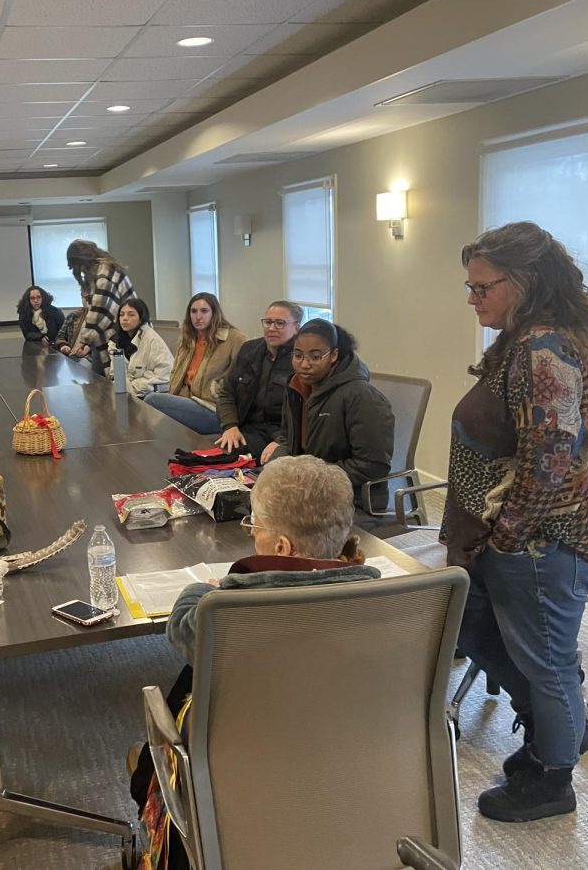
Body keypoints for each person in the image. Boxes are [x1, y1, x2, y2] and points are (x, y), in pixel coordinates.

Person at [442, 222, 588, 823]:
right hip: (518, 540)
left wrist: (508, 537)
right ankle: (561, 732)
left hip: (545, 543)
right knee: (493, 638)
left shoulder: (545, 351)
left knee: (543, 659)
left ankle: (553, 778)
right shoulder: (522, 340)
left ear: (525, 283)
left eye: (482, 287)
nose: (472, 299)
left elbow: (553, 464)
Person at [131, 455, 378, 870]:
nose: (251, 537)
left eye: (254, 527)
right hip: (350, 771)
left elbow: (182, 626)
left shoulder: (231, 609)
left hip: (240, 786)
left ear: (282, 548)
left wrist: (204, 589)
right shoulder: (385, 604)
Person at [262, 319, 393, 510]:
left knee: (275, 525)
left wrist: (310, 477)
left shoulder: (362, 396)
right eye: (298, 355)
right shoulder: (296, 387)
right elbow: (287, 437)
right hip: (309, 488)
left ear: (333, 355)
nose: (304, 364)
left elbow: (373, 465)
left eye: (315, 357)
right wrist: (279, 466)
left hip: (351, 500)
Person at [144, 293, 246, 435]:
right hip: (187, 402)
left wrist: (217, 389)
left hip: (214, 409)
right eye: (194, 311)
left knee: (151, 400)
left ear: (214, 313)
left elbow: (244, 379)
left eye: (204, 311)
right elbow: (175, 376)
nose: (198, 316)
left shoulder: (233, 338)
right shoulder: (188, 339)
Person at [213, 300, 301, 461]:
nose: (272, 328)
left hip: (283, 434)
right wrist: (230, 425)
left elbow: (305, 412)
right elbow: (227, 393)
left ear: (296, 327)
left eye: (280, 323)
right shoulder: (249, 350)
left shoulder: (301, 359)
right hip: (249, 428)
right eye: (268, 322)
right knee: (220, 455)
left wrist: (282, 440)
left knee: (274, 463)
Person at [65, 239, 136, 367]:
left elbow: (100, 310)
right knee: (103, 379)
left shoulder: (104, 273)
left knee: (115, 381)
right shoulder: (97, 272)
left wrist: (83, 341)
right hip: (111, 338)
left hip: (124, 337)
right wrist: (87, 344)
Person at [114, 297, 172, 397]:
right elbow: (115, 374)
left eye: (131, 314)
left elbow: (165, 375)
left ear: (141, 319)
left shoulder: (152, 339)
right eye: (121, 314)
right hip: (127, 393)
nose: (124, 318)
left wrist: (134, 385)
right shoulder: (116, 341)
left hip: (149, 395)